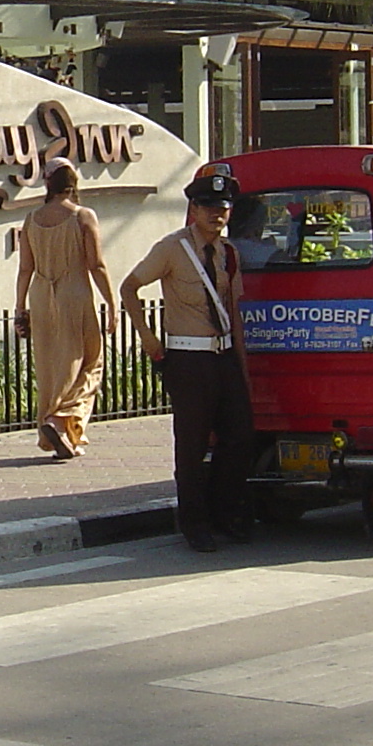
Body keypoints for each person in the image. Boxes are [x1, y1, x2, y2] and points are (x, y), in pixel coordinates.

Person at [121, 167, 257, 552]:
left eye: (224, 208)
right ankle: (194, 522)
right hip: (188, 357)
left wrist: (241, 368)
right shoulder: (173, 248)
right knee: (192, 444)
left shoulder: (228, 254)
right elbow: (129, 287)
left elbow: (233, 310)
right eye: (209, 207)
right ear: (193, 209)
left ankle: (225, 512)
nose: (218, 214)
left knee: (239, 437)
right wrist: (149, 339)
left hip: (224, 355)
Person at [14, 160, 113, 459]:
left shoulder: (31, 219)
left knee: (51, 367)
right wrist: (112, 302)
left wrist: (20, 308)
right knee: (90, 362)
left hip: (41, 295)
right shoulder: (83, 216)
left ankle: (61, 433)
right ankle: (60, 420)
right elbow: (96, 264)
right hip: (74, 292)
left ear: (47, 183)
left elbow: (24, 269)